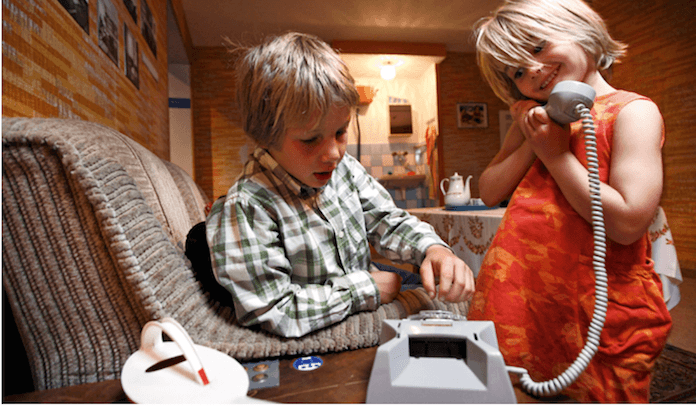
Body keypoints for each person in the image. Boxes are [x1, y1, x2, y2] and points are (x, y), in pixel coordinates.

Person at [467, 0, 672, 402]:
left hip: (599, 308)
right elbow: (488, 191)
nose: (534, 70)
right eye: (518, 72)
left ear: (581, 30)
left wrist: (556, 156)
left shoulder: (633, 113)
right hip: (523, 300)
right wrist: (536, 139)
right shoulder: (534, 120)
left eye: (539, 46)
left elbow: (628, 224)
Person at [206, 32, 474, 338]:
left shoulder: (344, 168)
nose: (334, 153)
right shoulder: (248, 206)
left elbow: (387, 220)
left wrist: (435, 250)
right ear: (266, 135)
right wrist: (364, 288)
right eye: (310, 139)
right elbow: (271, 310)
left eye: (341, 132)